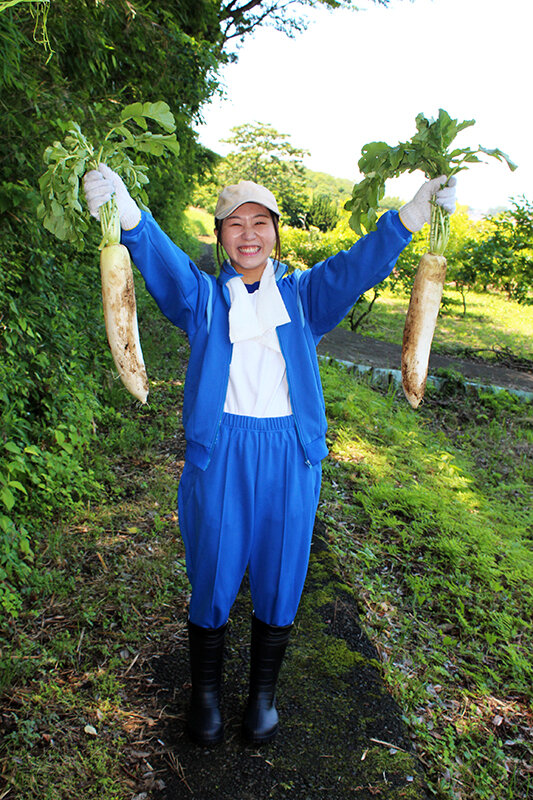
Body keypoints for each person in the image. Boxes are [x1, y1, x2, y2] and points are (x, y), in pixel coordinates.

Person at [83, 165, 456, 747]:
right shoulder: (205, 299)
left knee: (283, 573)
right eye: (235, 224)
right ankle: (204, 694)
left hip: (289, 453)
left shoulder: (305, 296)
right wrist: (127, 213)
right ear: (220, 235)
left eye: (261, 222)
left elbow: (357, 265)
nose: (248, 234)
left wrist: (410, 217)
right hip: (221, 453)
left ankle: (262, 696)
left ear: (277, 234)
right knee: (213, 568)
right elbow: (162, 266)